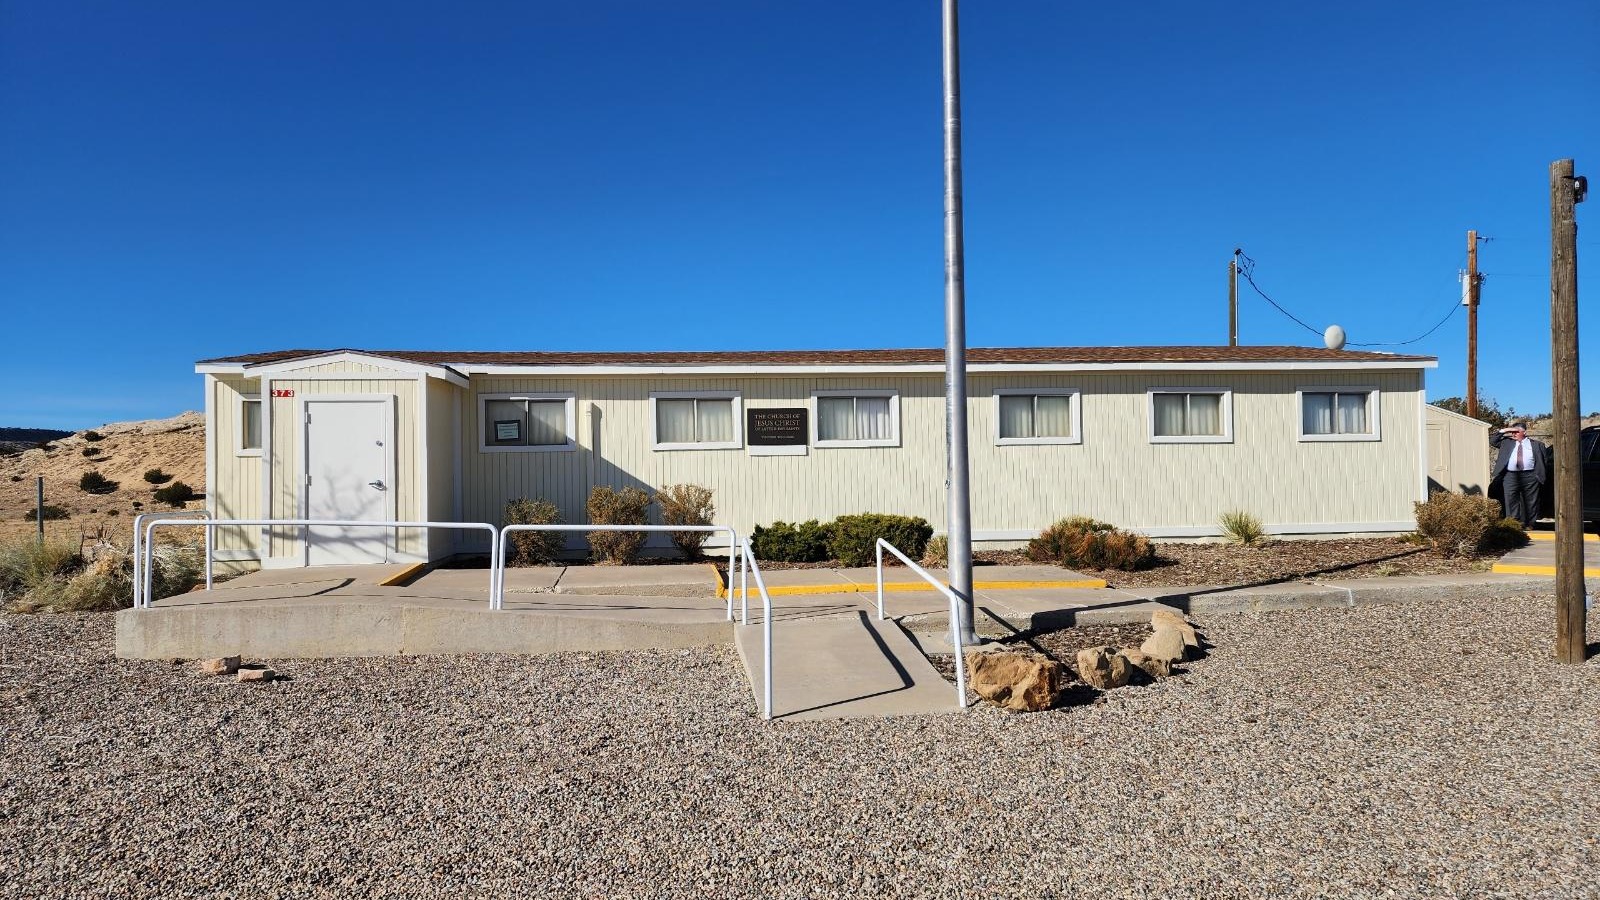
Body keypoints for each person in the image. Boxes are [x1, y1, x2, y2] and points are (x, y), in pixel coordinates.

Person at [1490, 421, 1548, 528]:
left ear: (1524, 432)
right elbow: (1492, 440)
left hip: (1531, 475)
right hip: (1510, 475)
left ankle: (1530, 524)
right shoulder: (1507, 443)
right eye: (1512, 432)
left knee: (1531, 501)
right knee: (1511, 499)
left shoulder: (1537, 445)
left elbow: (1543, 460)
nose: (1513, 434)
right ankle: (1513, 524)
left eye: (1516, 431)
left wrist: (1538, 476)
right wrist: (1505, 430)